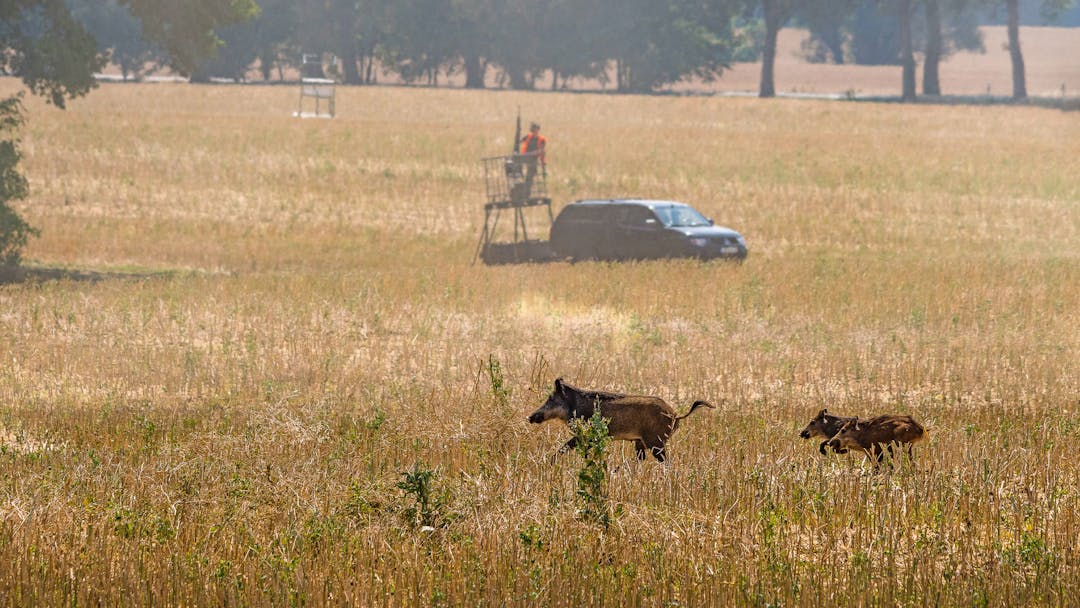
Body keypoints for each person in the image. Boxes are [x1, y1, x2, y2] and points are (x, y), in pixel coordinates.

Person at [518, 122, 546, 201]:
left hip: (533, 160)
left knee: (529, 178)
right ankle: (522, 192)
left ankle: (526, 194)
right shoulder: (528, 137)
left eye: (535, 129)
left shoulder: (541, 139)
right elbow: (519, 142)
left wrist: (533, 153)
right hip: (526, 159)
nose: (534, 131)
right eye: (533, 129)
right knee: (522, 176)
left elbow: (542, 151)